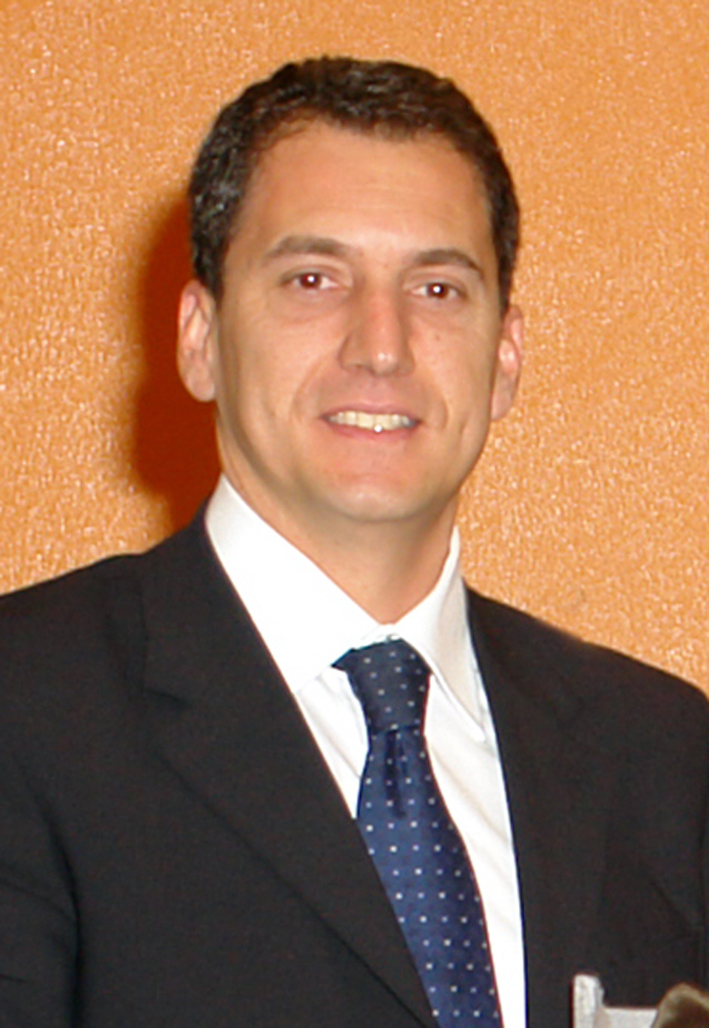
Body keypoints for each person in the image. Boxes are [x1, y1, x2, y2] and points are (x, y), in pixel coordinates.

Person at [0, 56, 706, 1028]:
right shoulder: (27, 706)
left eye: (437, 289)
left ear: (505, 357)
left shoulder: (664, 756)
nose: (381, 344)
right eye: (312, 279)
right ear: (200, 337)